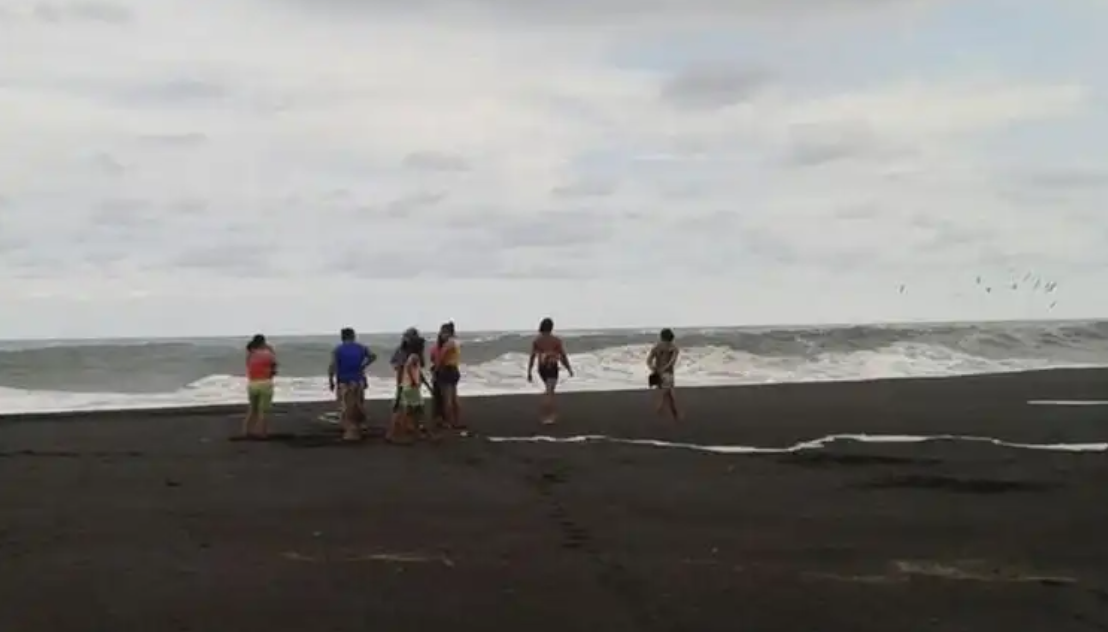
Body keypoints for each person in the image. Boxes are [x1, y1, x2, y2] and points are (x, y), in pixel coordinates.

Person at [327, 327, 376, 442]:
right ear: (353, 336)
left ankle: (349, 431)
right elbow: (373, 356)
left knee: (345, 405)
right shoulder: (361, 348)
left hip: (344, 381)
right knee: (358, 404)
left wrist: (331, 380)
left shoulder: (338, 350)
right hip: (358, 379)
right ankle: (360, 426)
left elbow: (332, 366)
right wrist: (363, 365)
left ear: (342, 337)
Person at [527, 317, 573, 425]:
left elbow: (532, 357)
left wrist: (529, 372)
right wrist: (569, 368)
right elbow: (563, 356)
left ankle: (548, 415)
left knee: (549, 391)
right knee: (550, 393)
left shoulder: (537, 341)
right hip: (552, 366)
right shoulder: (556, 340)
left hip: (541, 368)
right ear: (551, 328)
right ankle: (547, 416)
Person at [389, 331, 426, 444]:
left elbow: (415, 368)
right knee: (410, 409)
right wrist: (413, 381)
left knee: (408, 409)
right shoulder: (409, 354)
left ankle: (406, 431)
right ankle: (398, 433)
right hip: (408, 385)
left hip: (406, 385)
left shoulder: (412, 354)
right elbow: (404, 367)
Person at [243, 334, 278, 439]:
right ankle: (263, 433)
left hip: (252, 383)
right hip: (265, 383)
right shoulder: (268, 354)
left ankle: (247, 431)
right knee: (263, 411)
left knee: (252, 410)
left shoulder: (250, 354)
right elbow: (274, 368)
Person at [431, 321, 463, 430]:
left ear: (447, 333)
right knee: (454, 398)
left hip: (446, 370)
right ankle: (457, 421)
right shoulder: (456, 342)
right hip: (454, 370)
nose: (441, 334)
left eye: (442, 332)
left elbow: (441, 358)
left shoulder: (448, 343)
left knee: (447, 400)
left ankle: (449, 423)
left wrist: (436, 370)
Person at [646, 328, 681, 420]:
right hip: (667, 374)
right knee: (668, 393)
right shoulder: (674, 348)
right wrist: (664, 369)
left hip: (658, 373)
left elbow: (648, 361)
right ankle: (667, 411)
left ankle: (666, 411)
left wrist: (653, 368)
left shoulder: (656, 347)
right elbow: (672, 362)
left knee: (667, 393)